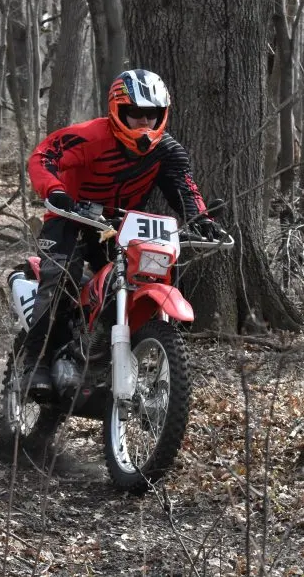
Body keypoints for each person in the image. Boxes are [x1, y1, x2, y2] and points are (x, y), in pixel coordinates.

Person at [21, 69, 223, 395]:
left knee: (142, 275)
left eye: (151, 115)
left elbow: (185, 189)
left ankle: (107, 352)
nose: (144, 124)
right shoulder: (88, 137)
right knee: (60, 276)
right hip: (70, 217)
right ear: (118, 111)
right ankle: (36, 362)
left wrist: (201, 218)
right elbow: (44, 156)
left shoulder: (167, 152)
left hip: (120, 226)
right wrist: (55, 190)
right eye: (135, 115)